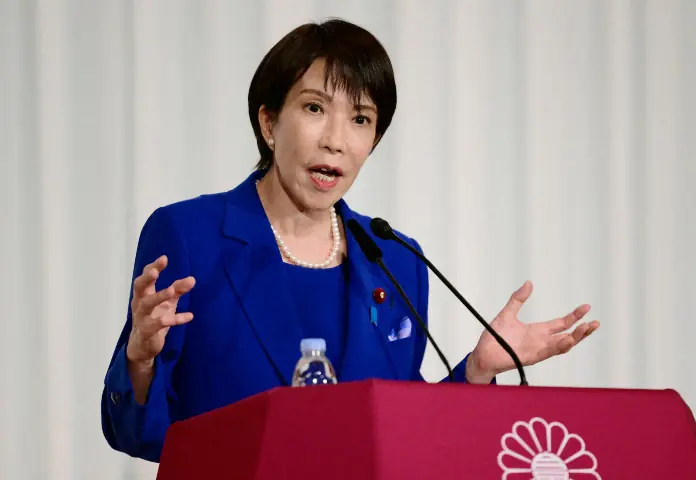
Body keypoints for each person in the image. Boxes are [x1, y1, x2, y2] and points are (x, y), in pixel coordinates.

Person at [101, 18, 600, 463]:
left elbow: (404, 429)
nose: (336, 140)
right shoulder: (190, 236)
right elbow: (140, 435)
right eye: (315, 108)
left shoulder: (395, 260)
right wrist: (139, 358)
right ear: (269, 122)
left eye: (360, 119)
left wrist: (477, 370)